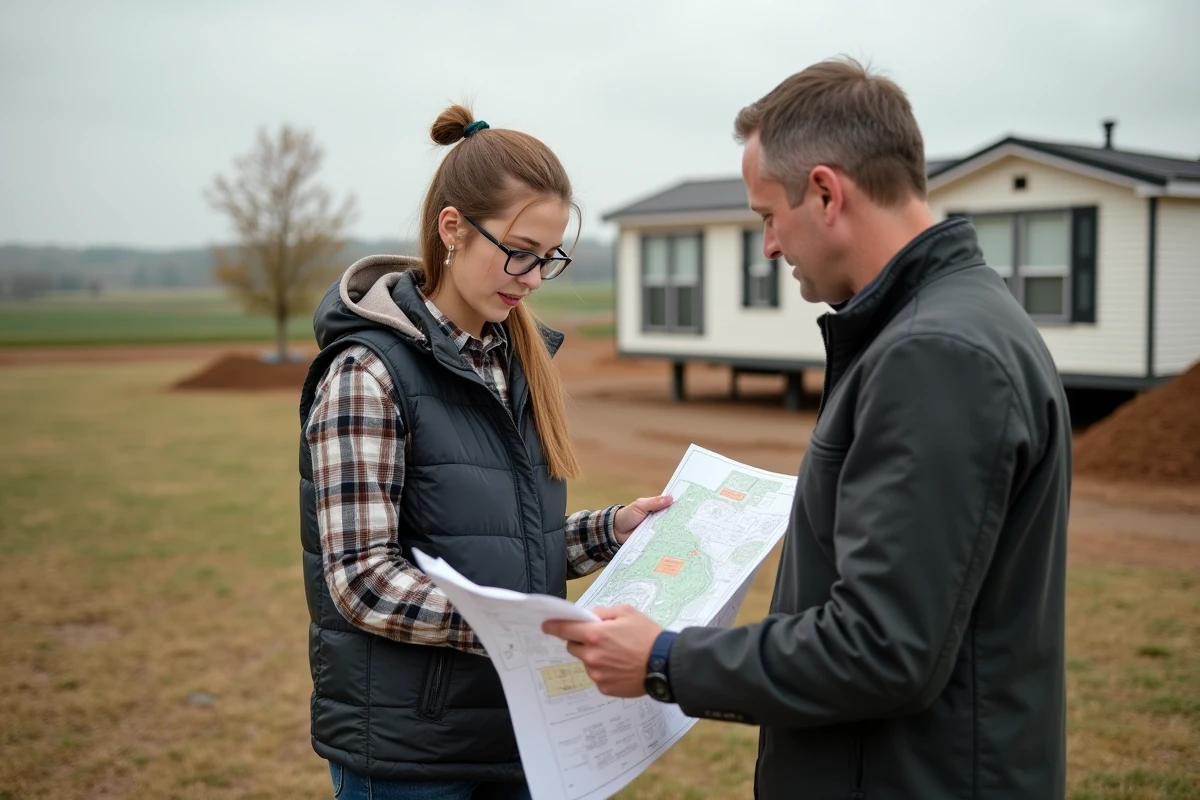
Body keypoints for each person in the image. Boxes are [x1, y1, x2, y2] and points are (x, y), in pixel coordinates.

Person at [544, 57, 1071, 799]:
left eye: (767, 215)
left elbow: (882, 649)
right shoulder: (950, 325)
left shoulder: (935, 357)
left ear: (825, 192)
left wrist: (665, 659)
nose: (768, 246)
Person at [298, 104, 673, 800]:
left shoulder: (518, 364)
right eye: (518, 251)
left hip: (520, 734)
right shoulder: (367, 374)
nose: (532, 277)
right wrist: (521, 629)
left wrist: (612, 531)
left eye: (549, 258)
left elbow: (505, 549)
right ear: (452, 229)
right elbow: (360, 580)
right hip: (410, 750)